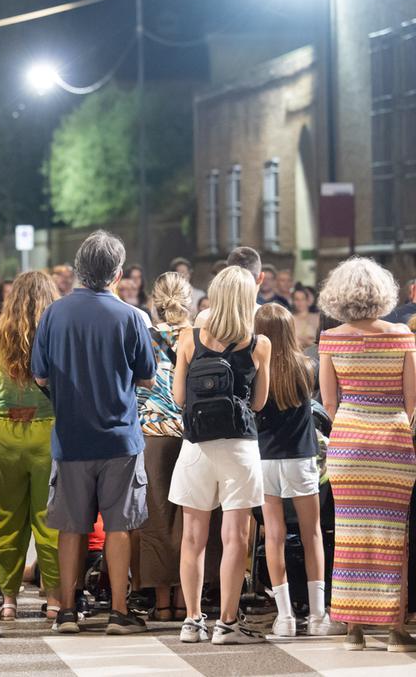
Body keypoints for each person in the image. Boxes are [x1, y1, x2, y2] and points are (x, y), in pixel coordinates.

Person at [31, 232, 155, 635]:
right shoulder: (131, 317)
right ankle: (119, 612)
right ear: (117, 274)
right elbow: (148, 378)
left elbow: (40, 373)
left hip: (70, 438)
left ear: (78, 269)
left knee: (72, 526)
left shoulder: (54, 314)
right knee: (119, 526)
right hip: (120, 437)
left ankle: (66, 611)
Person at [317, 257, 416, 653]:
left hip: (349, 445)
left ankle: (354, 629)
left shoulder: (331, 340)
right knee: (394, 538)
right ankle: (394, 630)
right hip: (392, 444)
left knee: (349, 537)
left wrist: (353, 424)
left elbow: (329, 404)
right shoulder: (402, 336)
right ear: (382, 293)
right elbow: (412, 404)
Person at [169, 266, 271, 646]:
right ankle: (226, 624)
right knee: (235, 538)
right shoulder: (259, 344)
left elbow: (179, 398)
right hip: (239, 448)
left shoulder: (189, 338)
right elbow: (259, 402)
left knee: (193, 537)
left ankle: (192, 620)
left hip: (196, 446)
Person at [253, 303, 342, 638]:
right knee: (312, 534)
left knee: (273, 536)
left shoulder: (254, 367)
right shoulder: (306, 365)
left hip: (264, 459)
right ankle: (319, 615)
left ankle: (285, 617)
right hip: (301, 458)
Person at [0, 270, 61, 622]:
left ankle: (9, 598)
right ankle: (55, 598)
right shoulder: (57, 336)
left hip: (6, 432)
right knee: (49, 517)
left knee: (6, 516)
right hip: (48, 431)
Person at [135, 272, 191, 623]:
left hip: (150, 433)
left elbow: (137, 385)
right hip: (191, 435)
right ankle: (186, 600)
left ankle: (162, 603)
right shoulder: (200, 337)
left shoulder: (144, 337)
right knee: (190, 519)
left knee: (154, 519)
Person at [291, 285, 320, 353]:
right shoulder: (290, 319)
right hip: (296, 356)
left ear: (307, 301)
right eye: (297, 299)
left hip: (314, 357)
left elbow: (321, 341)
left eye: (302, 299)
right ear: (293, 301)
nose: (300, 302)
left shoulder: (317, 318)